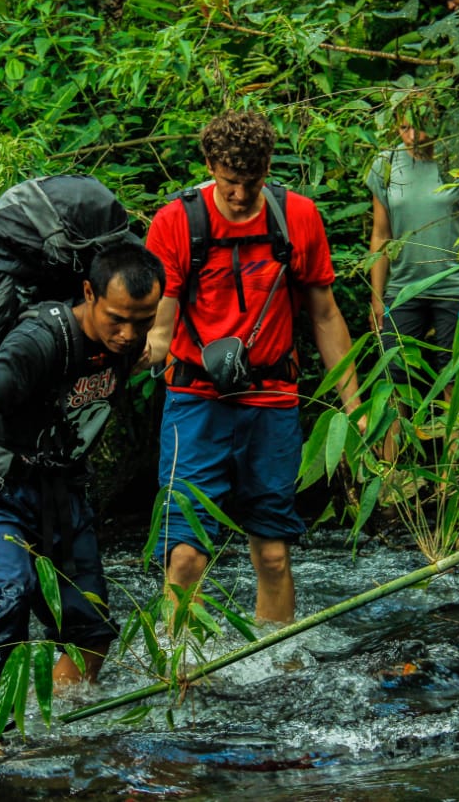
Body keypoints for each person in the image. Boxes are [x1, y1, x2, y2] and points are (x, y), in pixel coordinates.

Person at [0, 240, 165, 721]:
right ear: (88, 293)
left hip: (58, 487)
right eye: (116, 319)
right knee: (8, 599)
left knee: (91, 631)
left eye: (142, 321)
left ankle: (41, 724)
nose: (129, 334)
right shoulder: (42, 339)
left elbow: (157, 350)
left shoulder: (127, 345)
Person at [144, 110, 362, 625]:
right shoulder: (176, 220)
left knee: (272, 552)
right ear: (209, 167)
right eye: (229, 183)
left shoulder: (297, 217)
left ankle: (276, 668)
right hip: (196, 402)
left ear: (268, 169)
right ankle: (177, 669)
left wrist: (355, 408)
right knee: (184, 555)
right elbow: (160, 324)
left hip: (272, 402)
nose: (240, 196)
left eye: (251, 183)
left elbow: (325, 314)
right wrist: (143, 350)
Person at [367, 91, 459, 472]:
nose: (412, 135)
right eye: (403, 127)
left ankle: (455, 479)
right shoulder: (386, 165)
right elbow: (380, 234)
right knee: (394, 379)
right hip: (403, 288)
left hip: (455, 286)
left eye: (419, 126)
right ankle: (390, 480)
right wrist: (376, 295)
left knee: (454, 376)